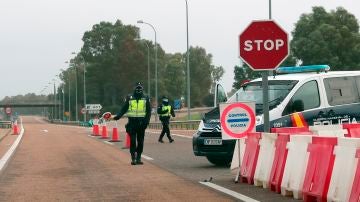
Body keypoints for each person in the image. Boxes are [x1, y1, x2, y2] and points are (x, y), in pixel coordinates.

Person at [112, 82, 151, 165]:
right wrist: (118, 116)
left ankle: (139, 157)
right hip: (132, 123)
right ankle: (133, 158)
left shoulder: (146, 98)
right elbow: (124, 108)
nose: (138, 89)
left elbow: (148, 111)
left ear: (142, 89)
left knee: (140, 142)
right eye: (137, 88)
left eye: (140, 88)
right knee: (133, 141)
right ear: (134, 88)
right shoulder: (130, 97)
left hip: (141, 123)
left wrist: (146, 121)